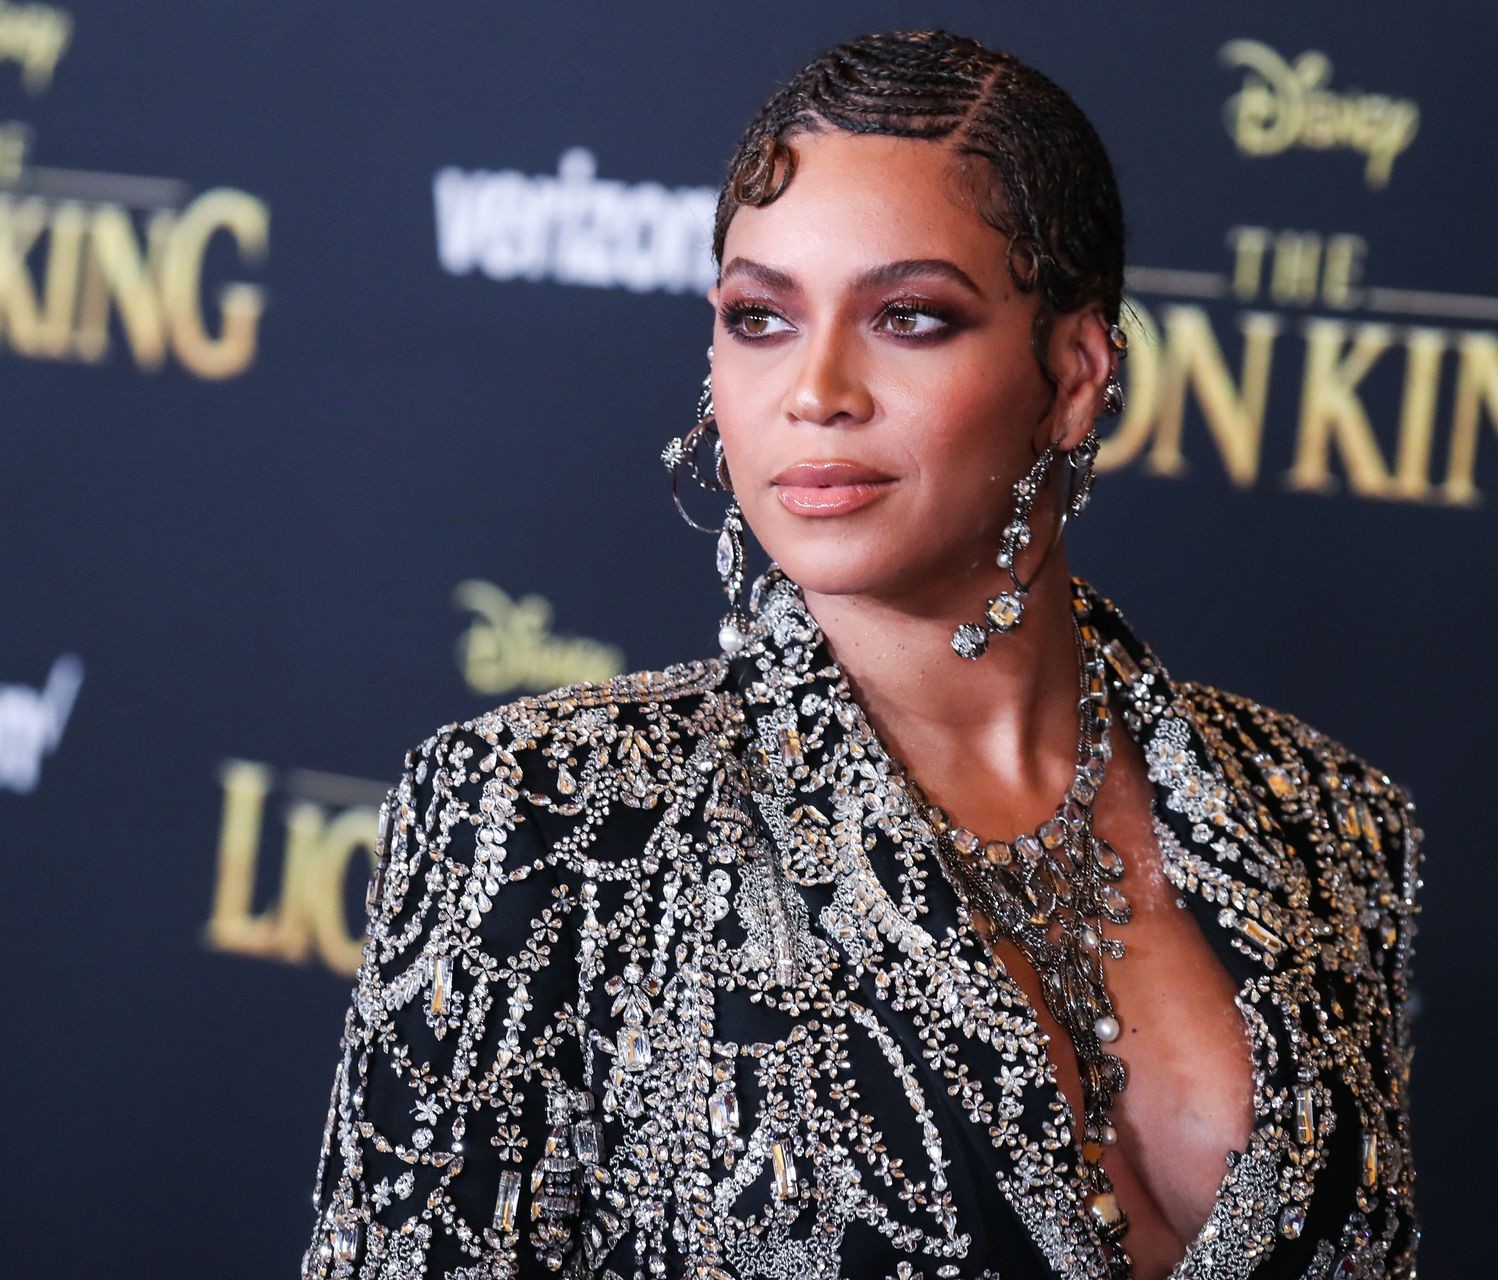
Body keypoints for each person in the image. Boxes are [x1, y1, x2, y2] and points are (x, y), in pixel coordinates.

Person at [301, 29, 1423, 1280]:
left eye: (908, 317)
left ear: (1073, 376)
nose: (816, 389)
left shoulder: (1325, 819)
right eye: (760, 317)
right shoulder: (543, 816)